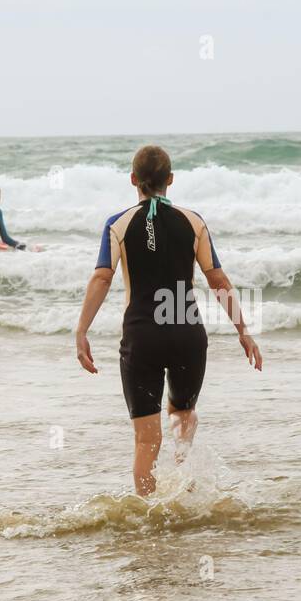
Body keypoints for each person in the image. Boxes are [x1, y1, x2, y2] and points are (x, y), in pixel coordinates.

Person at [75, 144, 262, 496]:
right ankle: (184, 490)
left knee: (147, 439)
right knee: (182, 419)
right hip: (186, 335)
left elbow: (101, 278)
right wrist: (243, 330)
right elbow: (217, 280)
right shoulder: (194, 221)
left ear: (133, 180)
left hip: (142, 337)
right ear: (170, 180)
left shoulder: (118, 223)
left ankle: (149, 518)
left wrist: (82, 330)